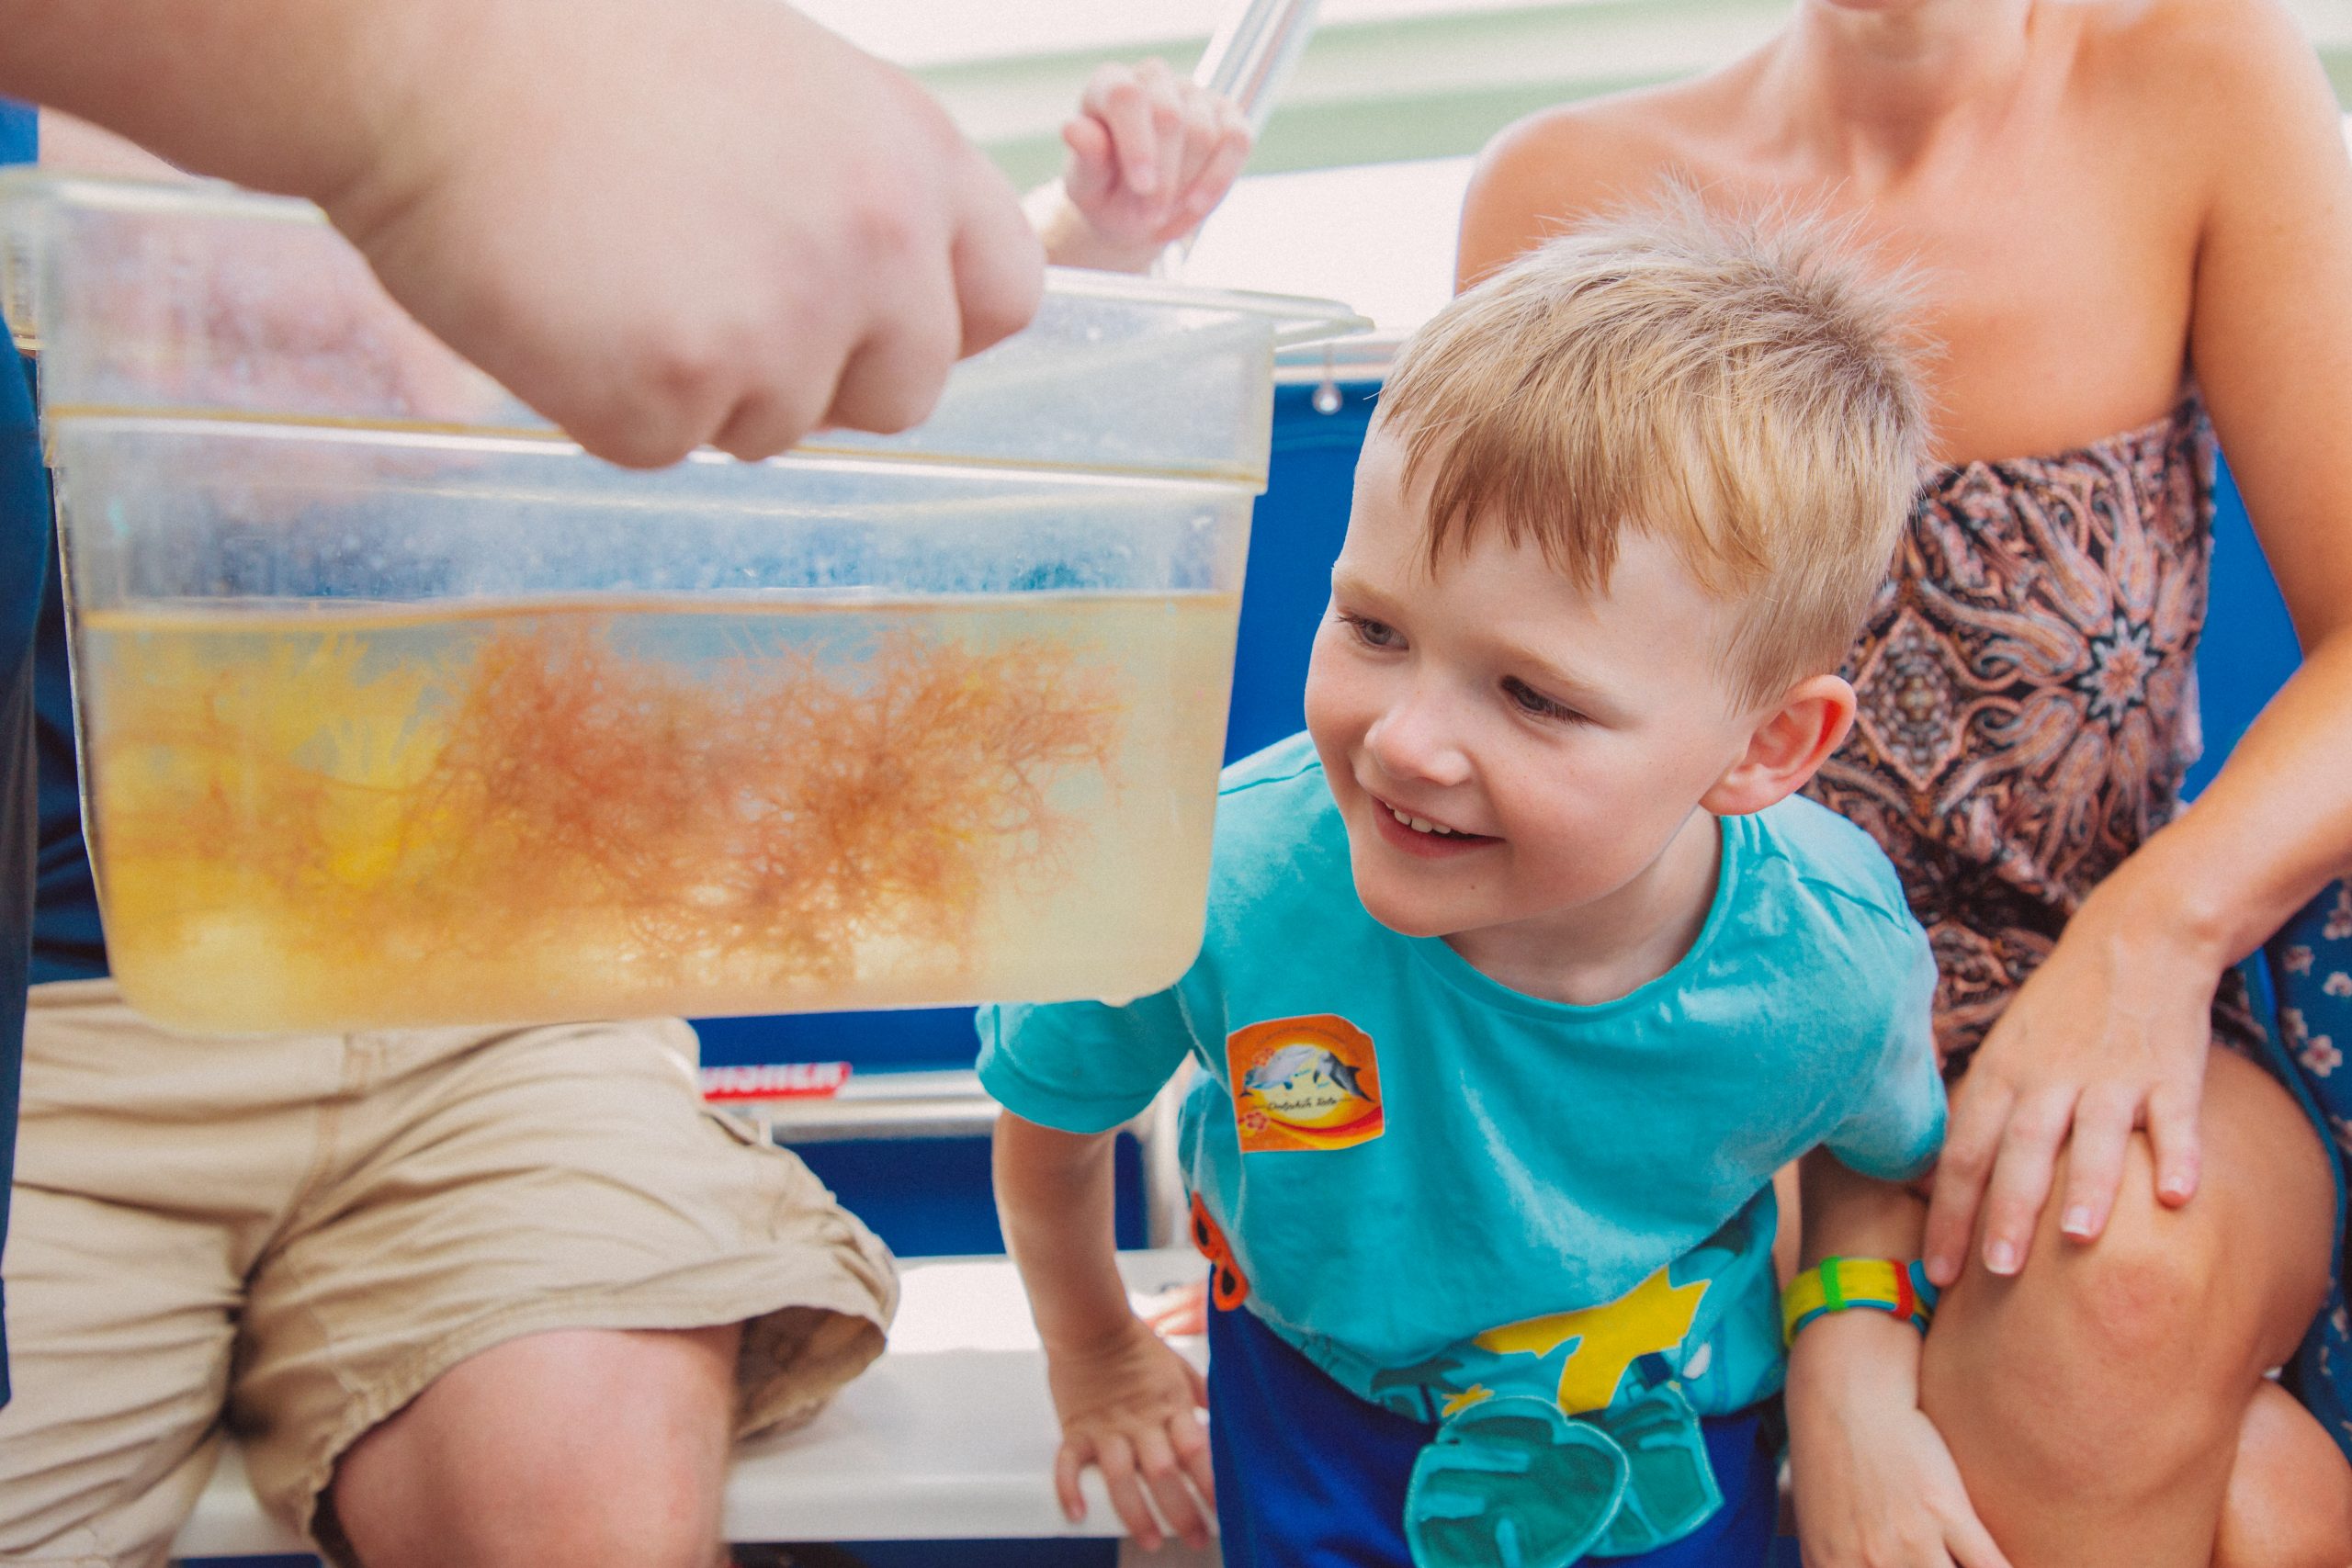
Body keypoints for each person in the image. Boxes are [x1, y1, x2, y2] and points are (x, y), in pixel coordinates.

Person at [0, 62, 1247, 1568]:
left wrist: (1082, 243)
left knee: (580, 1512)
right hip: (65, 1050)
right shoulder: (60, 138)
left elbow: (858, 397)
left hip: (505, 1024)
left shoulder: (532, 93)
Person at [1453, 2, 2352, 1564]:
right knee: (2259, 1509)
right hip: (1696, 1038)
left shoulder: (2206, 76)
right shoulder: (1564, 185)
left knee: (2114, 1283)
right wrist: (1844, 1331)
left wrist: (2150, 937)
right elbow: (1496, 745)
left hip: (2090, 986)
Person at [982, 198, 1947, 1567]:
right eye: (1373, 627)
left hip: (1657, 1434)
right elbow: (1053, 1109)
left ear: (1763, 747)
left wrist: (1865, 1352)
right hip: (1318, 1399)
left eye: (1534, 695)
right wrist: (1092, 1358)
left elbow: (1878, 1155)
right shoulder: (1220, 877)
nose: (1406, 741)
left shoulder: (1827, 963)